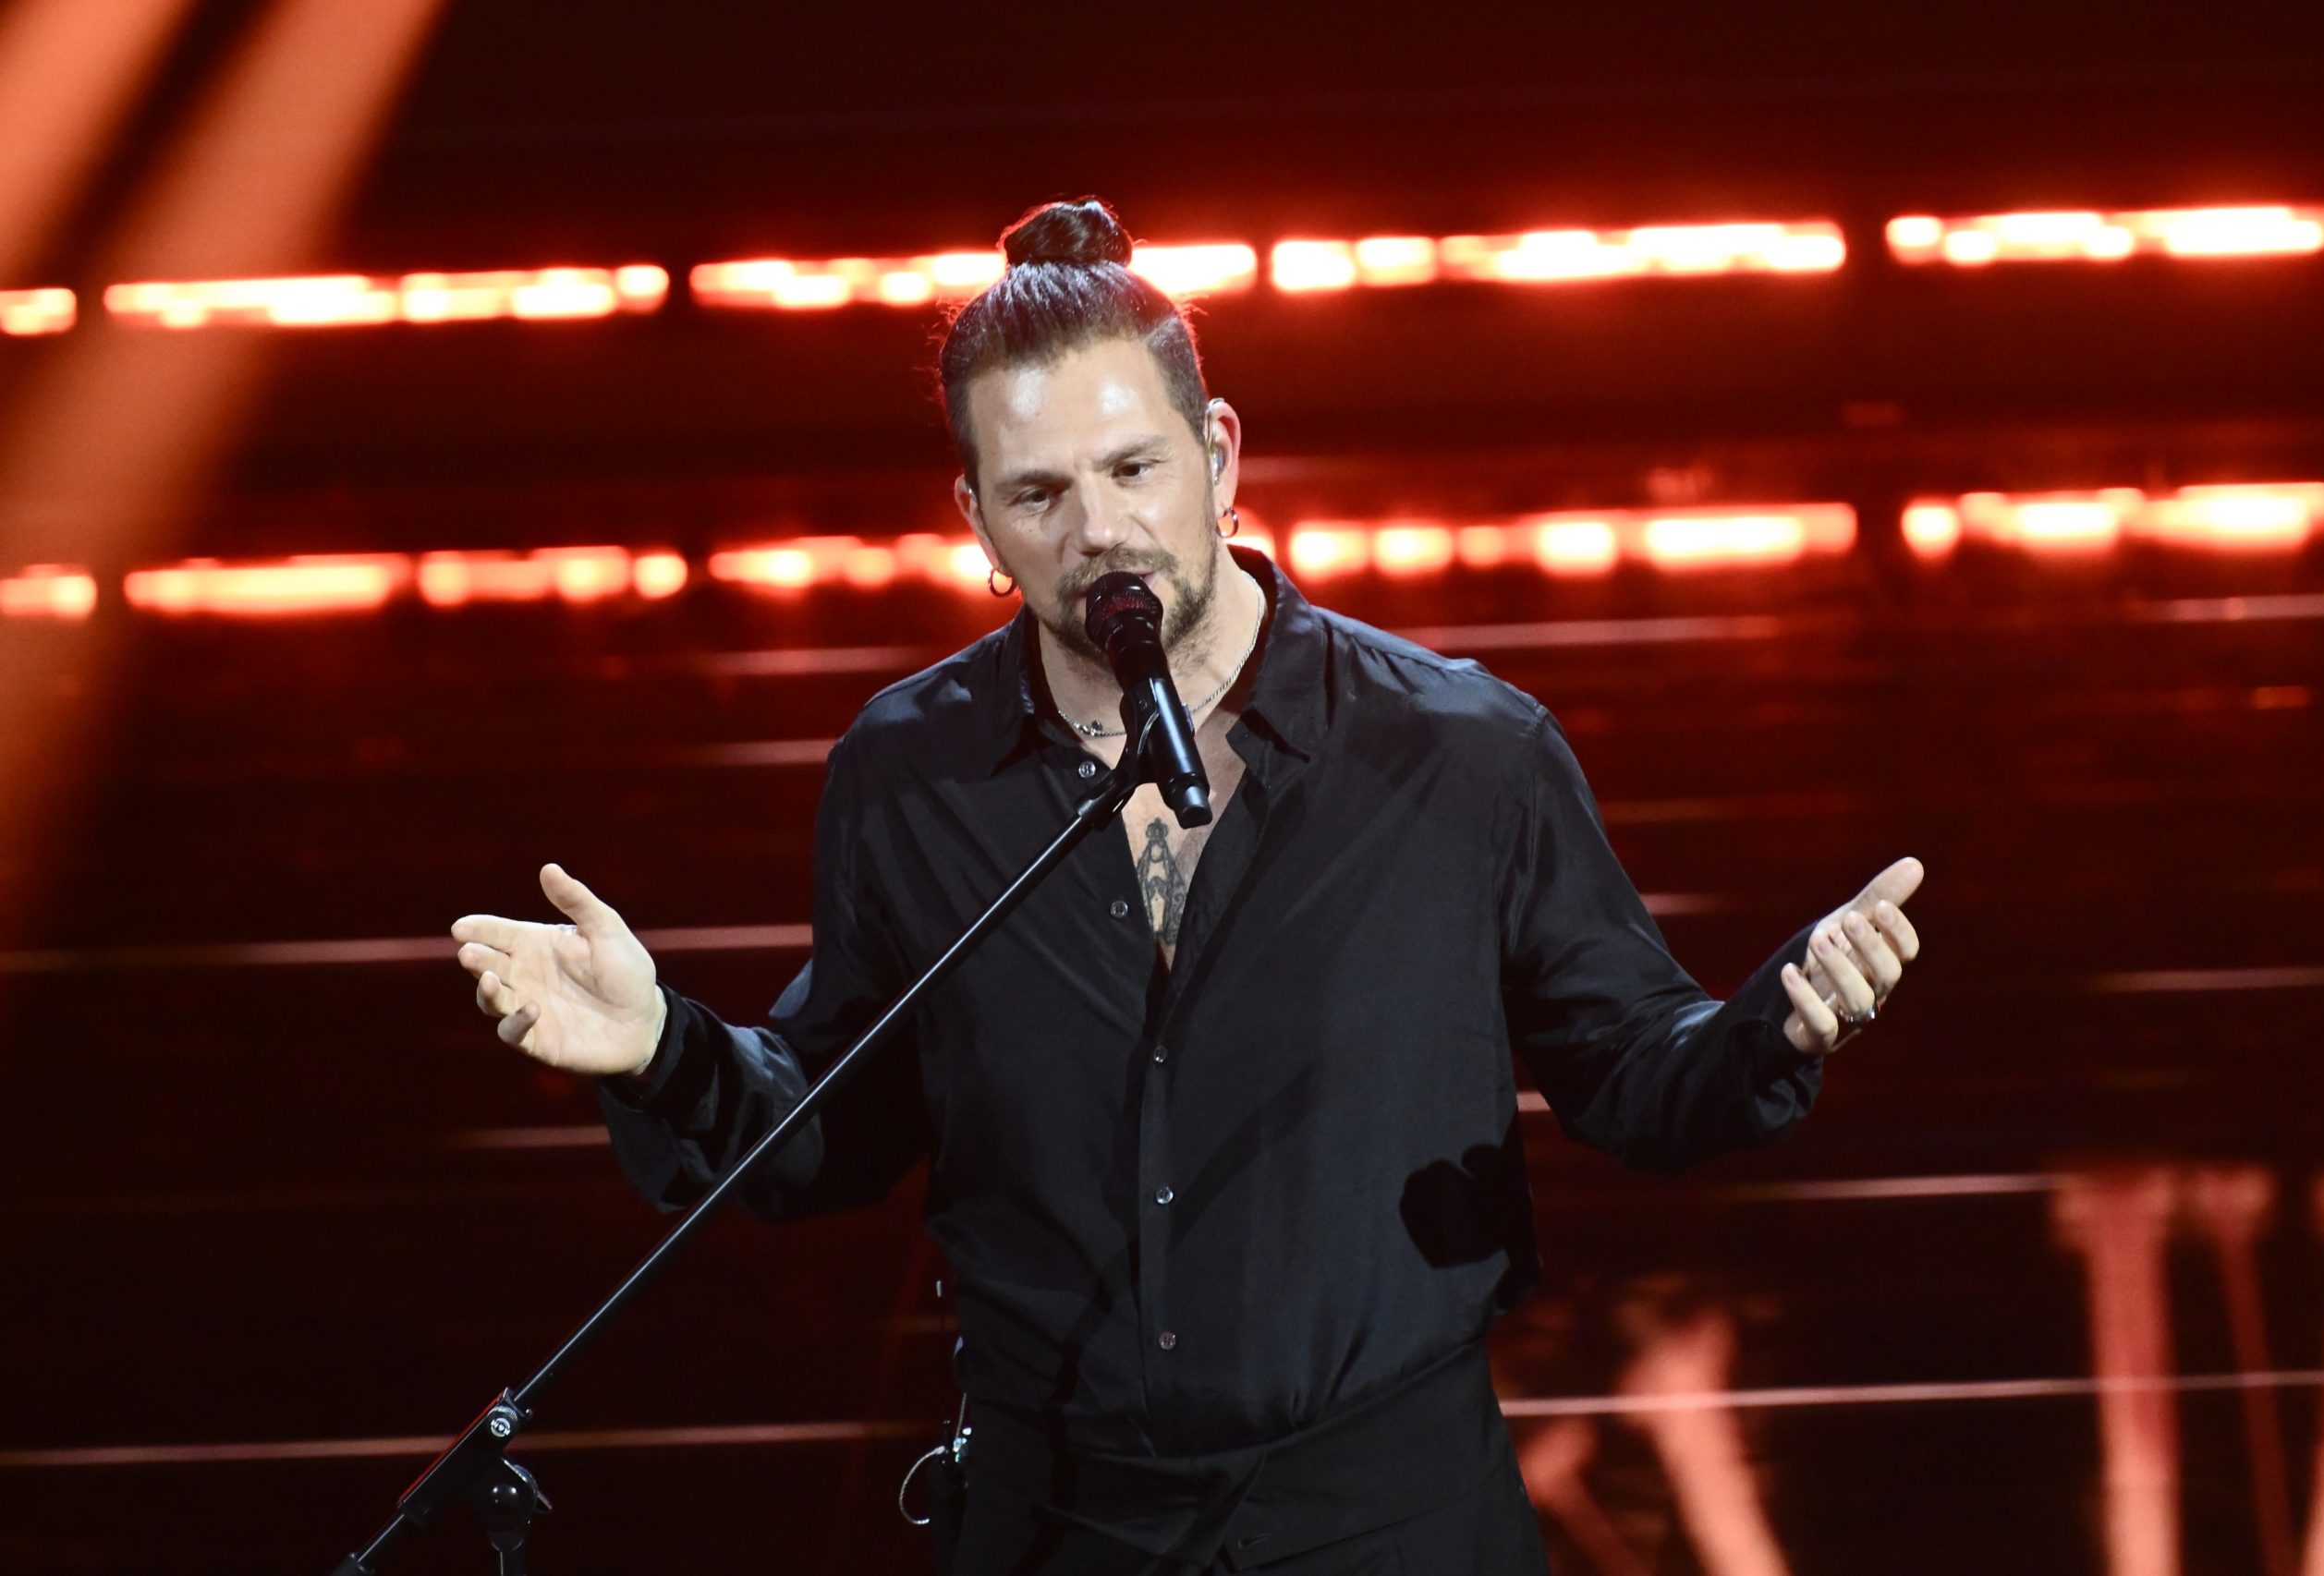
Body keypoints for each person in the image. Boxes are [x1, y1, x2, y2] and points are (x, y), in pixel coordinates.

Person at [450, 197, 1925, 1575]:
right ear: (975, 518)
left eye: (1132, 468)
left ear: (1219, 454)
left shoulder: (1459, 753)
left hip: (1388, 1516)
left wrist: (1776, 1023)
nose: (1096, 528)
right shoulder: (913, 773)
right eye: (1038, 491)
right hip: (1059, 1519)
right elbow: (830, 1124)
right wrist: (660, 1049)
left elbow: (1632, 1075)